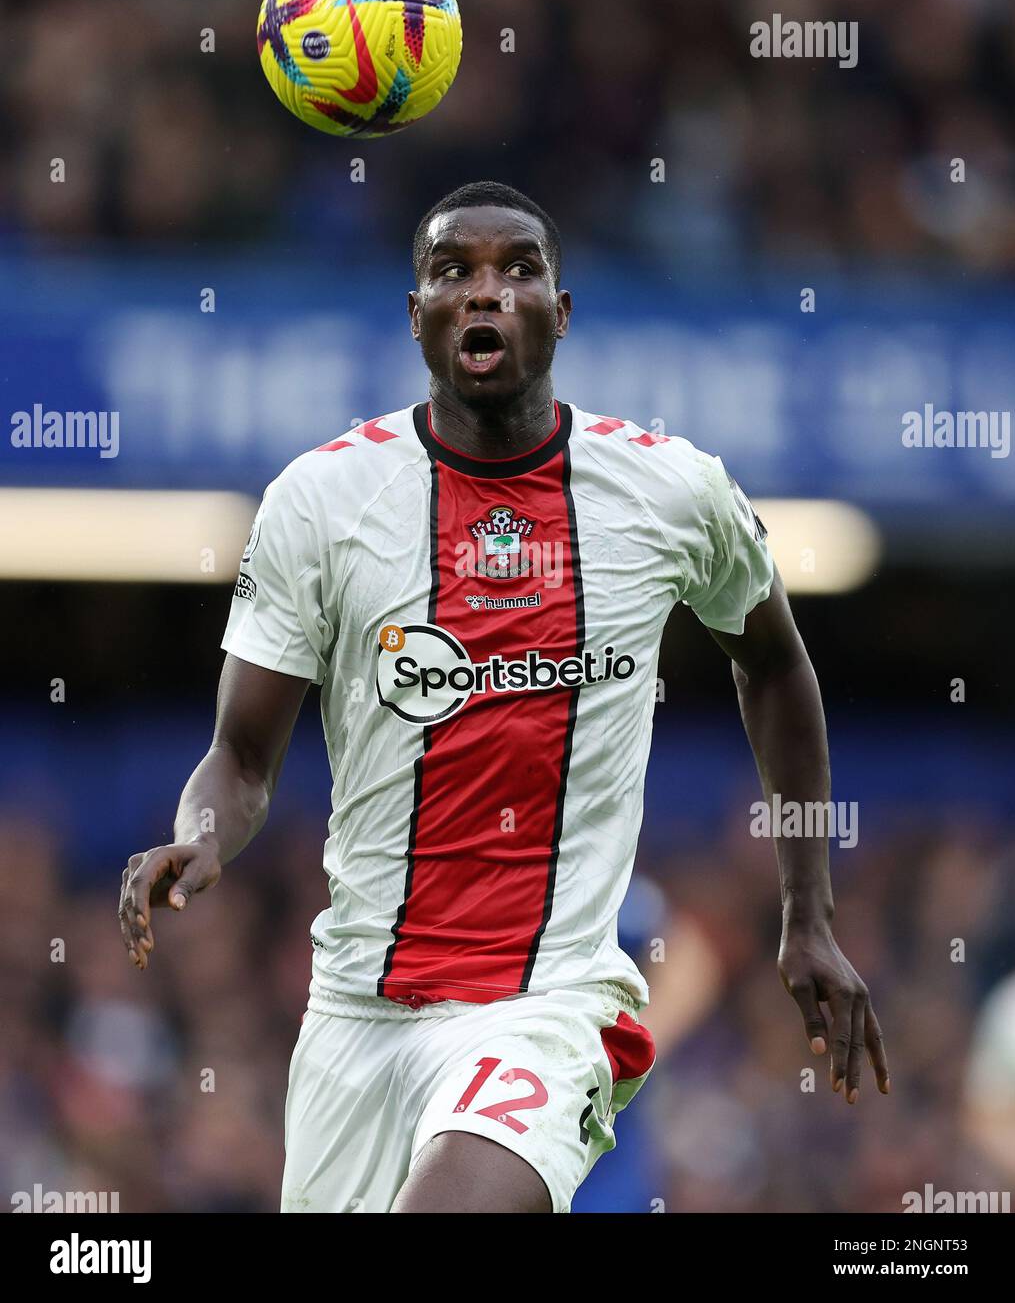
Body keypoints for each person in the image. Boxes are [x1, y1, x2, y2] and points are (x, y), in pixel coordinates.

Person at [118, 180, 889, 1214]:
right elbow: (243, 758)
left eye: (517, 270)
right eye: (453, 272)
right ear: (416, 316)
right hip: (358, 1014)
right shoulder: (322, 500)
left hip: (551, 1001)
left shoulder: (668, 490)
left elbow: (776, 663)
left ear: (560, 314)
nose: (485, 293)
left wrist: (809, 911)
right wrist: (202, 834)